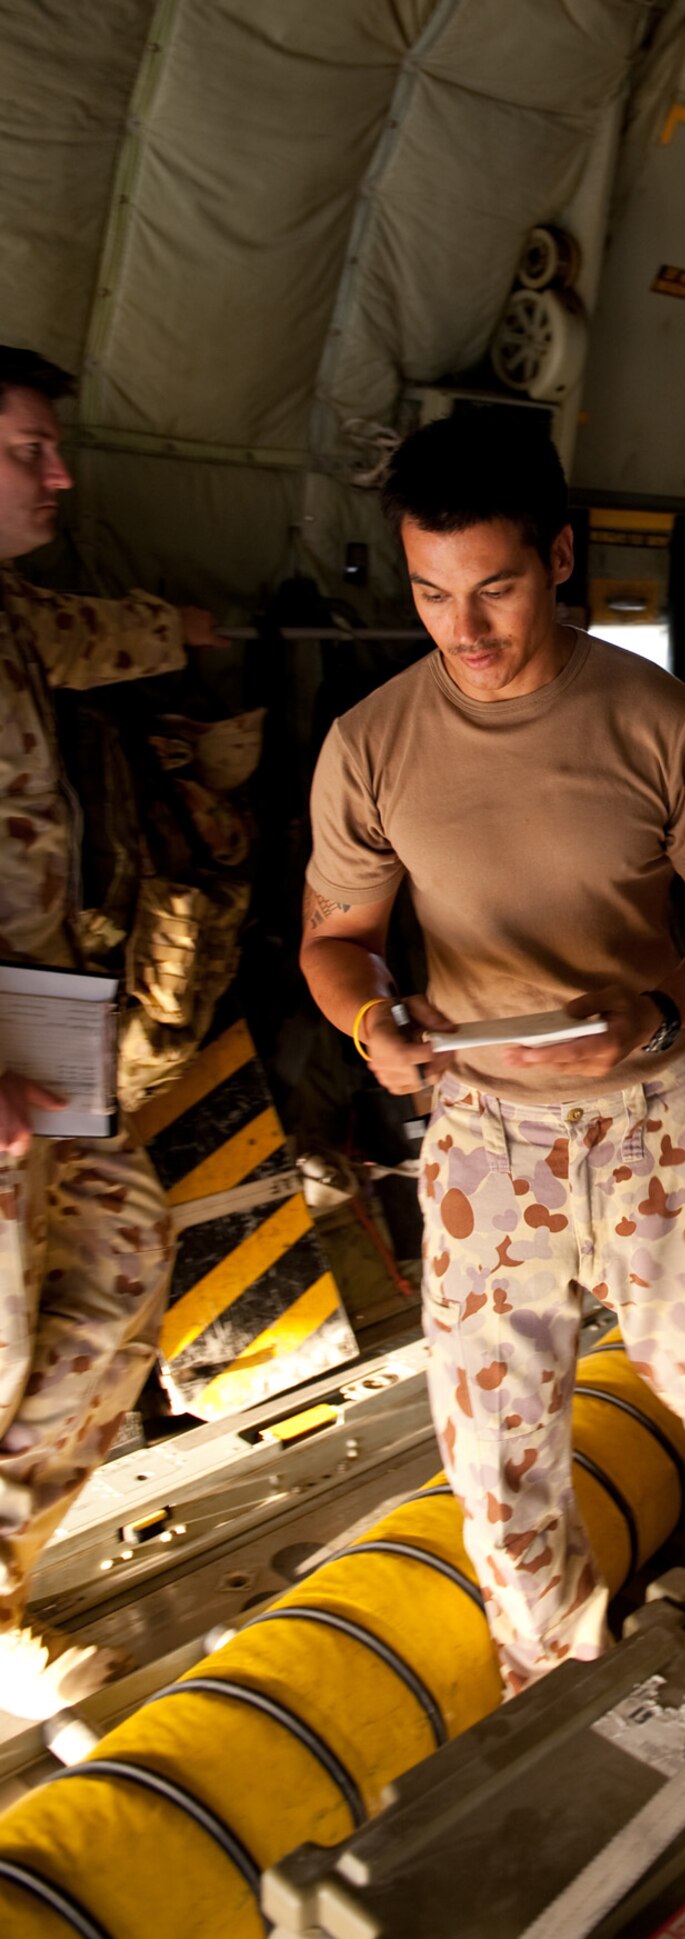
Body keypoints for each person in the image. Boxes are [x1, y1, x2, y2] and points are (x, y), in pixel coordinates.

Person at [301, 408, 685, 1695]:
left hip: (649, 1122)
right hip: (486, 1142)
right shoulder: (371, 742)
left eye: (496, 589)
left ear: (562, 558)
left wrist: (668, 1008)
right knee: (497, 1458)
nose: (463, 632)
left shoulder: (660, 722)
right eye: (430, 594)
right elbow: (337, 939)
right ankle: (549, 1696)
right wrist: (372, 1021)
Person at [0, 346, 223, 1718]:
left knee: (125, 1264)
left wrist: (186, 632)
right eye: (29, 449)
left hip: (39, 1041)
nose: (61, 474)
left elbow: (91, 638)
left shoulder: (10, 619)